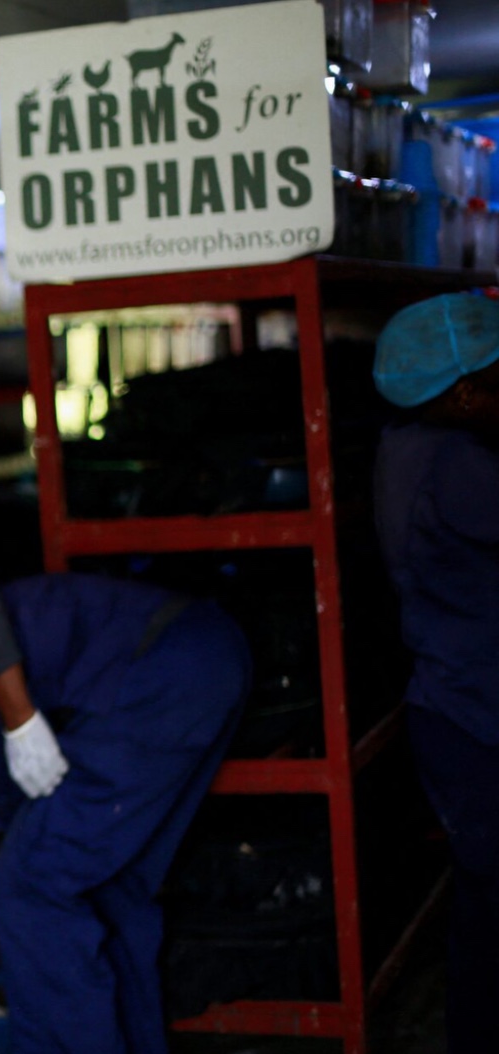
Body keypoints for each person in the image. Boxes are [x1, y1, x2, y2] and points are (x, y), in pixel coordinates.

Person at [0, 532, 250, 1054]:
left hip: (160, 665)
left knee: (35, 885)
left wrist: (20, 719)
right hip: (201, 665)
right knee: (106, 892)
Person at [372, 292, 499, 1054]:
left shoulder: (410, 444)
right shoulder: (455, 466)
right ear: (463, 393)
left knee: (483, 915)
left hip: (456, 710)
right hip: (472, 721)